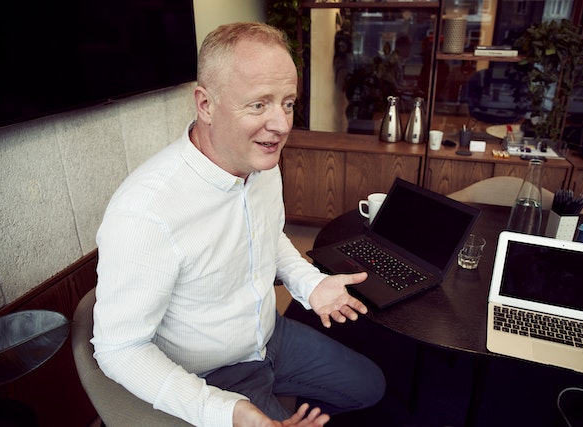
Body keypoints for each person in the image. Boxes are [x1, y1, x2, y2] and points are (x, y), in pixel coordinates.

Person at [92, 21, 385, 427]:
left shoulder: (261, 161)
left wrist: (308, 282)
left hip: (269, 336)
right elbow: (119, 348)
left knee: (370, 386)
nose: (282, 125)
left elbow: (269, 234)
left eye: (287, 102)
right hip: (211, 374)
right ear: (205, 105)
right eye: (259, 104)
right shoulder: (145, 212)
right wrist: (227, 412)